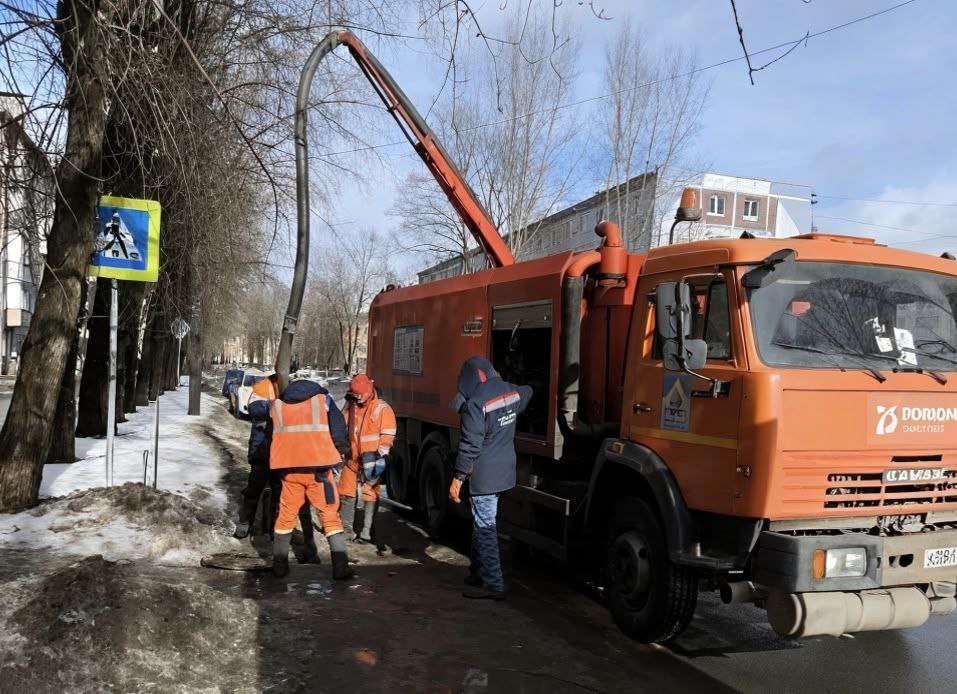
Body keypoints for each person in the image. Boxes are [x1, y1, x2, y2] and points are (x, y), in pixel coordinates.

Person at [448, 356, 532, 600]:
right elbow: (528, 391)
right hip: (506, 473)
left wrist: (458, 477)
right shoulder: (511, 393)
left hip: (485, 477)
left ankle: (494, 585)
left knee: (485, 528)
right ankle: (477, 573)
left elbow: (470, 445)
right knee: (481, 523)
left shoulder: (476, 403)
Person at [267, 376, 354, 579]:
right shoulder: (323, 401)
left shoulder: (278, 405)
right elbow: (338, 426)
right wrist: (341, 448)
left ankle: (279, 566)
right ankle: (340, 567)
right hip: (319, 471)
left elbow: (271, 436)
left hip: (290, 471)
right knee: (329, 515)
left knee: (286, 516)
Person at [234, 374, 320, 564]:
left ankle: (275, 528)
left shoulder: (293, 389)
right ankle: (245, 522)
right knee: (254, 488)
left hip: (283, 453)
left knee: (279, 494)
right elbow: (255, 409)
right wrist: (278, 406)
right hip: (262, 450)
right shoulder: (263, 387)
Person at [338, 374, 397, 543]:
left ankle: (367, 532)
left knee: (370, 493)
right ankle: (347, 530)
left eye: (359, 395)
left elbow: (388, 434)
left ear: (367, 392)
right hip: (352, 457)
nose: (357, 399)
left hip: (372, 459)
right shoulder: (351, 406)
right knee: (346, 490)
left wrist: (381, 455)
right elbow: (342, 424)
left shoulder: (381, 409)